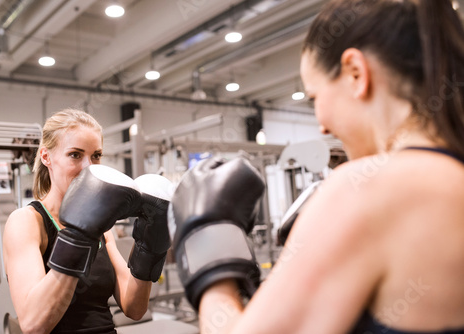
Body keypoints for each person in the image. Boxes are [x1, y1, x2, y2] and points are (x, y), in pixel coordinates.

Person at [168, 0, 464, 333]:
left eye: (314, 98)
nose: (321, 126)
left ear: (355, 73)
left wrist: (210, 254)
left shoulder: (367, 189)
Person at [3, 108, 172, 333]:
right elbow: (34, 325)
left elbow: (134, 308)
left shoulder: (103, 228)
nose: (88, 167)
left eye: (96, 156)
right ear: (46, 157)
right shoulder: (26, 222)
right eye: (75, 154)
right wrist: (78, 237)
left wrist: (150, 248)